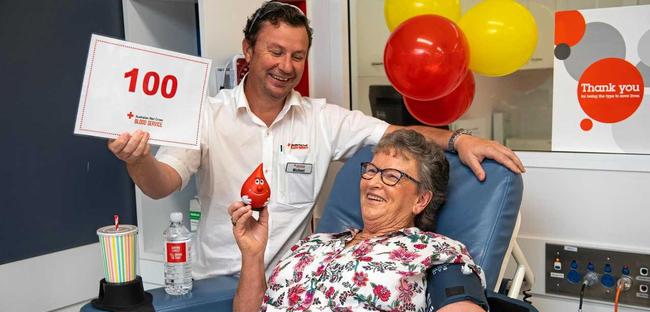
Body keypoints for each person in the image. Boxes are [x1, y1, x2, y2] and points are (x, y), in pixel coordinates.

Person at [108, 1, 525, 279]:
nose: (285, 66)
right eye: (275, 52)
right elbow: (160, 184)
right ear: (248, 51)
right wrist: (137, 159)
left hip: (291, 287)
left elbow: (395, 133)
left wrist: (457, 140)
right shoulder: (206, 115)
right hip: (215, 284)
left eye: (297, 56)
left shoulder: (322, 119)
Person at [151, 130, 551, 312]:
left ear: (420, 200)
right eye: (371, 170)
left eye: (392, 176)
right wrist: (253, 256)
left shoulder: (435, 251)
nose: (373, 182)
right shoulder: (314, 246)